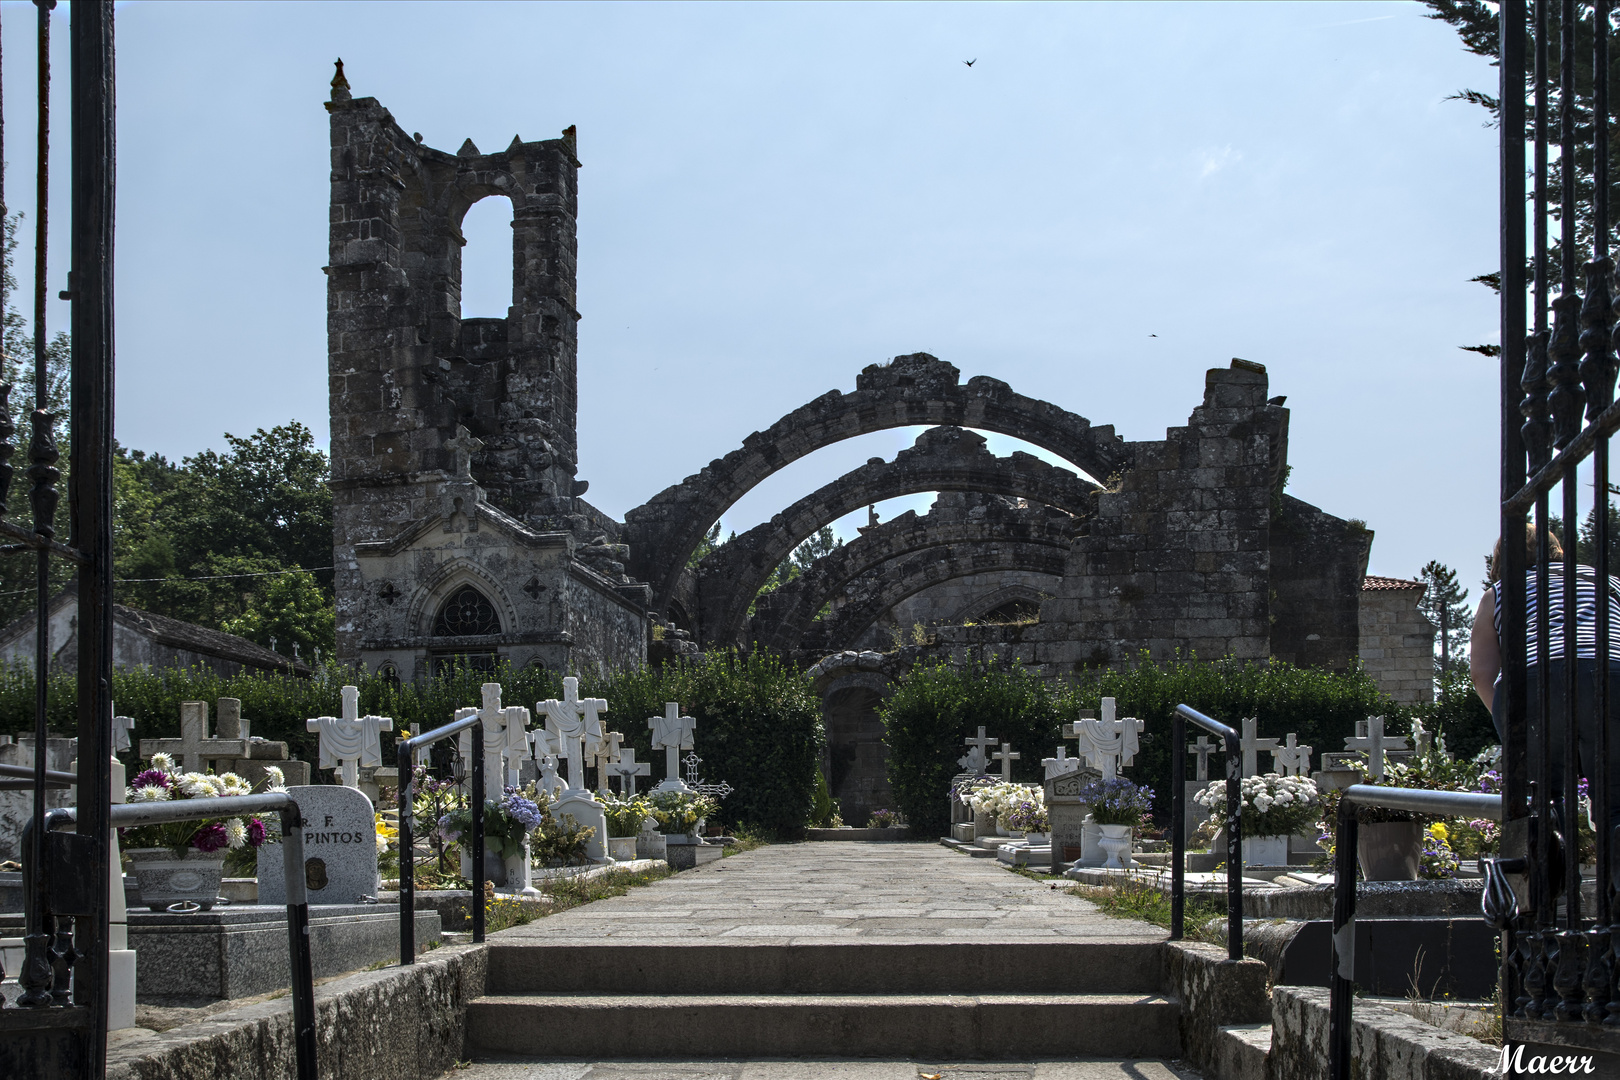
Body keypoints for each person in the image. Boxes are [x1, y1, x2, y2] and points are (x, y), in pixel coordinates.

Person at [1470, 524, 1620, 836]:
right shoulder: (1606, 581)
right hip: (1609, 672)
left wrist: (1510, 725)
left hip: (1533, 682)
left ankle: (1554, 876)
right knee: (1615, 795)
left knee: (1542, 798)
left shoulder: (1497, 594)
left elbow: (1482, 674)